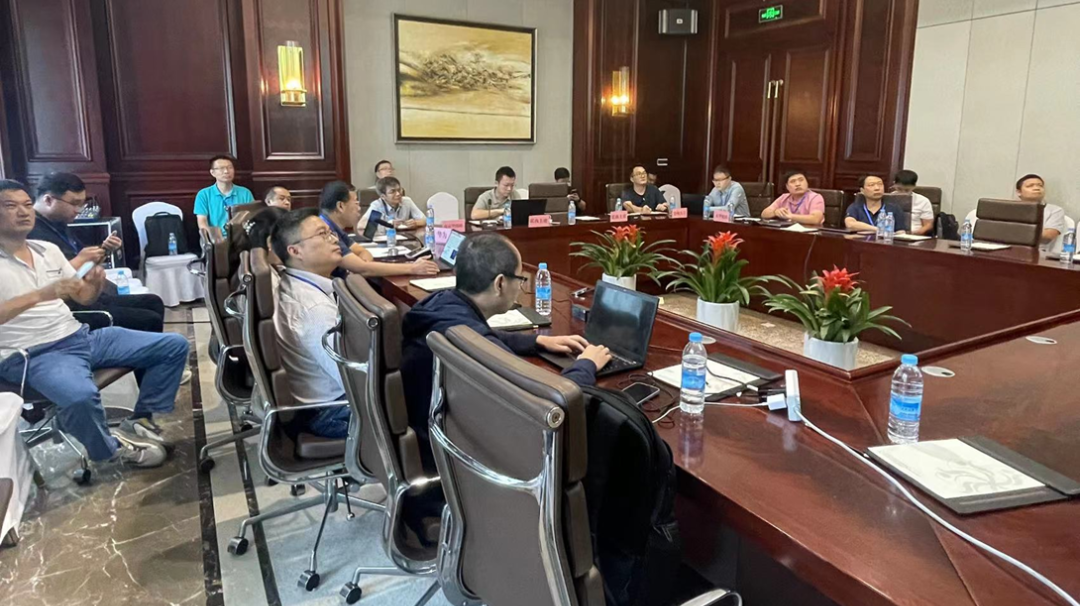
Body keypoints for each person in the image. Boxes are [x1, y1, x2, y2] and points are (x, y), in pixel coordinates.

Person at [0, 180, 189, 469]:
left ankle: (140, 419)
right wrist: (39, 295)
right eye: (11, 206)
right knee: (80, 396)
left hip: (79, 336)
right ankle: (108, 451)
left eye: (27, 205)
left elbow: (83, 298)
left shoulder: (46, 250)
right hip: (31, 354)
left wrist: (94, 284)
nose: (24, 212)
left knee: (173, 346)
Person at [401, 232, 611, 470]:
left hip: (432, 431)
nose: (520, 287)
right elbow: (551, 404)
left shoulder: (441, 305)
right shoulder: (479, 348)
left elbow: (479, 334)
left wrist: (537, 342)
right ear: (500, 284)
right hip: (461, 459)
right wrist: (586, 364)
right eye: (520, 280)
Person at [28, 172, 167, 334]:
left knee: (153, 302)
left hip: (87, 296)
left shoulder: (58, 223)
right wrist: (82, 263)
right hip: (70, 308)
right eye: (74, 203)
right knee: (149, 319)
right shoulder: (32, 232)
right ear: (48, 200)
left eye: (81, 204)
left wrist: (104, 250)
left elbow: (82, 265)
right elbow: (49, 279)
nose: (78, 210)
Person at [269, 209, 351, 438]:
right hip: (330, 411)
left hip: (319, 401)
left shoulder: (293, 280)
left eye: (331, 232)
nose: (334, 238)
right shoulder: (314, 309)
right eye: (322, 234)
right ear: (295, 251)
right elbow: (352, 381)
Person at [318, 181, 438, 278]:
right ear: (340, 206)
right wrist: (413, 268)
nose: (359, 209)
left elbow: (362, 252)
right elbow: (362, 269)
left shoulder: (334, 228)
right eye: (356, 203)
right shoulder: (326, 234)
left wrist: (362, 266)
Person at [194, 154, 254, 235]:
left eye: (230, 167)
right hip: (216, 238)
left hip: (241, 237)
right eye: (221, 168)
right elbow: (202, 222)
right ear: (212, 172)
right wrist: (214, 238)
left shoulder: (245, 193)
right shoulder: (204, 194)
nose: (226, 171)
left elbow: (252, 217)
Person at [358, 176, 424, 235]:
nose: (398, 194)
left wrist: (416, 223)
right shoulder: (377, 205)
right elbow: (361, 225)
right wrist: (387, 224)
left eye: (399, 190)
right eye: (392, 192)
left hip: (405, 237)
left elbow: (425, 220)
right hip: (384, 239)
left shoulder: (406, 201)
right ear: (383, 196)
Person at [845, 175, 910, 233]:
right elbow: (850, 224)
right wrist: (878, 229)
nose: (877, 188)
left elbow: (900, 232)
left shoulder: (894, 208)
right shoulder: (856, 207)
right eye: (871, 185)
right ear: (862, 190)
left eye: (880, 184)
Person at [1015, 174, 1066, 246]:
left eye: (1040, 185)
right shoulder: (1010, 209)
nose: (1036, 188)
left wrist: (1014, 230)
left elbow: (1048, 235)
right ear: (1019, 192)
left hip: (1038, 249)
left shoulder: (1055, 210)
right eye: (1030, 186)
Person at [761, 171, 825, 226]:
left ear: (807, 182)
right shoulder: (784, 197)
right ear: (787, 186)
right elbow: (764, 214)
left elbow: (816, 219)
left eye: (801, 180)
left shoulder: (815, 197)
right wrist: (775, 212)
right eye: (793, 181)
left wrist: (790, 216)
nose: (798, 184)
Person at [890, 170, 935, 236]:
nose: (903, 193)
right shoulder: (888, 198)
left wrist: (914, 233)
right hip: (891, 234)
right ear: (894, 184)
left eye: (907, 190)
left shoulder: (923, 201)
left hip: (915, 235)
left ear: (914, 186)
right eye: (899, 189)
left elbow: (928, 225)